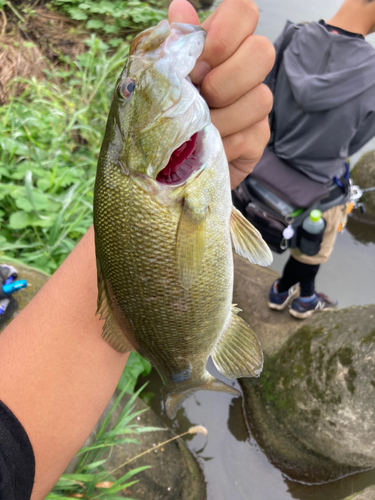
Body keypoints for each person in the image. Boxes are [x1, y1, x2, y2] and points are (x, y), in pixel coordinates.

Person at [0, 0, 274, 498]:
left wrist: (215, 177)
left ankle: (183, 375)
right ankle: (186, 376)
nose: (134, 87)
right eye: (129, 91)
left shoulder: (156, 174)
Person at [264, 0, 375, 318]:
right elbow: (354, 142)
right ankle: (299, 298)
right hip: (321, 190)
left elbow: (264, 105)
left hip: (267, 177)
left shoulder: (289, 37)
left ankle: (289, 292)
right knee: (313, 251)